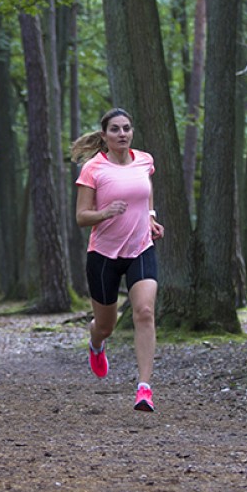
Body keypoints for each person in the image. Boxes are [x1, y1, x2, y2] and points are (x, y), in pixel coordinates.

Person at [71, 107, 165, 412]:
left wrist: (151, 218)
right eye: (115, 129)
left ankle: (144, 388)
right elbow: (82, 217)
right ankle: (96, 343)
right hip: (103, 255)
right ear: (104, 136)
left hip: (141, 248)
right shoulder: (93, 169)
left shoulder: (145, 160)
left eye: (126, 128)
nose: (122, 133)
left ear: (132, 132)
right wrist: (105, 213)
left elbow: (146, 193)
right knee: (106, 325)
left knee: (145, 312)